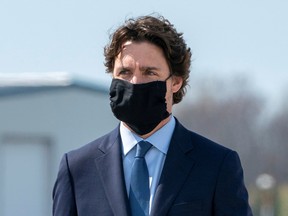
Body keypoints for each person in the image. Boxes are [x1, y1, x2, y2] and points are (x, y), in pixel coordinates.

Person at [53, 15, 253, 216]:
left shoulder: (216, 165)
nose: (135, 83)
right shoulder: (77, 169)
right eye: (124, 72)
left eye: (149, 73)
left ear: (175, 82)